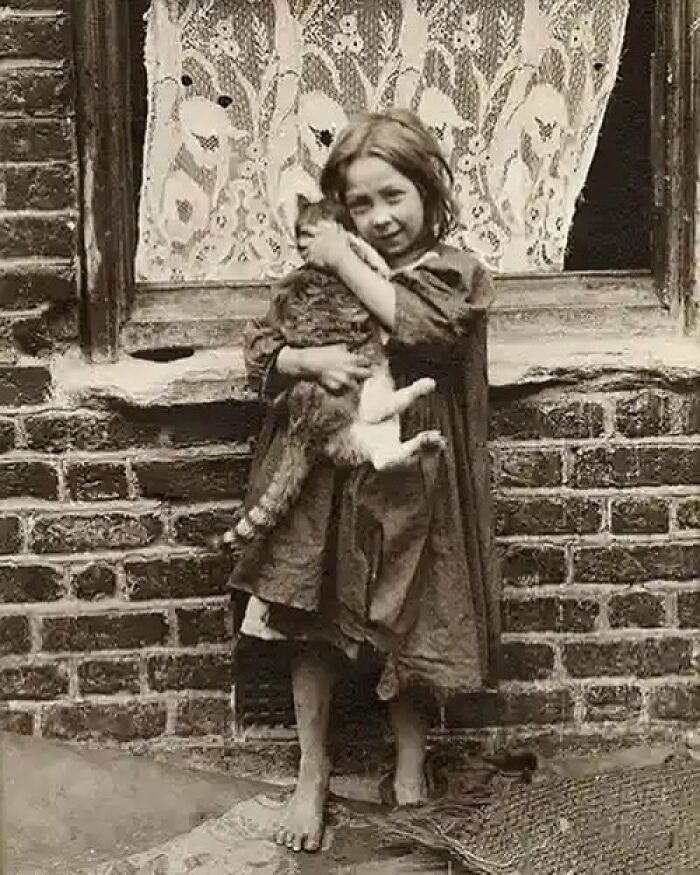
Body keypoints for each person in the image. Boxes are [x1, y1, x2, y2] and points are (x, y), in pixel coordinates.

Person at [229, 108, 499, 853]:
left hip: (415, 474)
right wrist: (303, 361)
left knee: (409, 619)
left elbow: (421, 327)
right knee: (312, 623)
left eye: (395, 197)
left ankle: (409, 764)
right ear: (340, 209)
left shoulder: (455, 275)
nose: (380, 218)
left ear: (429, 192)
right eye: (360, 204)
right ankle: (311, 770)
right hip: (327, 479)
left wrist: (344, 258)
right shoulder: (320, 277)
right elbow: (260, 349)